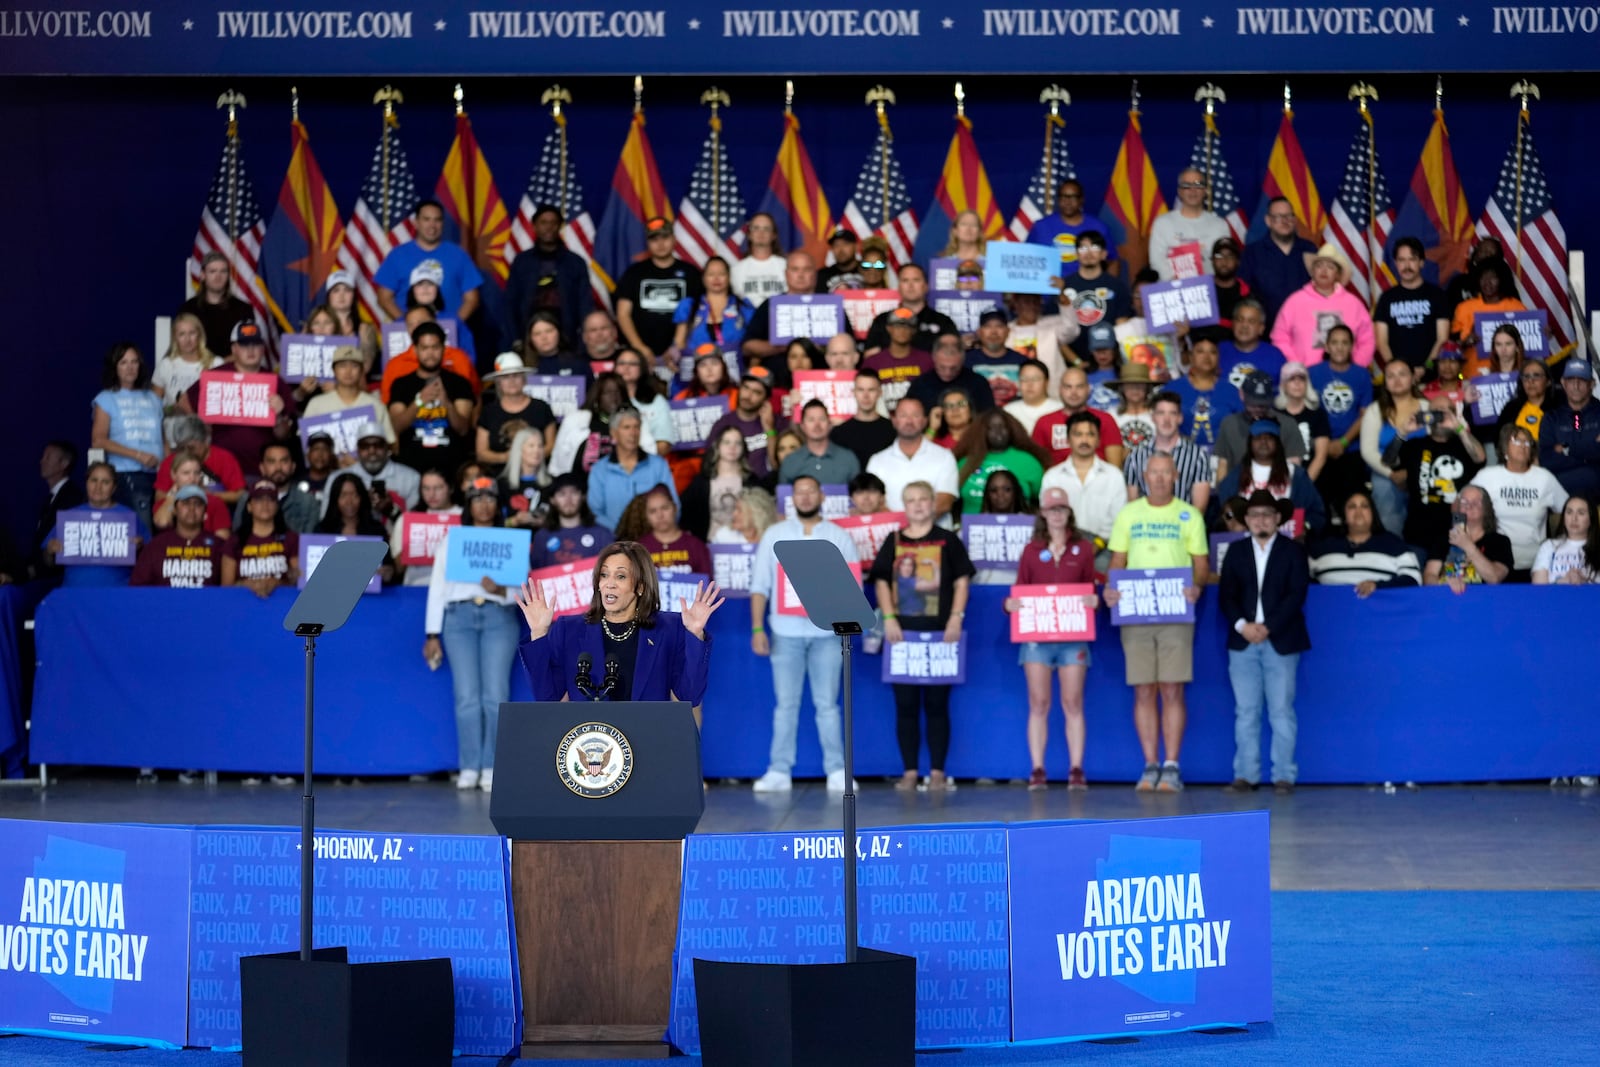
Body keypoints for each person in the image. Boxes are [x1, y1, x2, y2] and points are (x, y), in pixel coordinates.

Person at [748, 475, 863, 792]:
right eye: (800, 492)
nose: (806, 497)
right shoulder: (775, 534)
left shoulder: (838, 537)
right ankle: (779, 770)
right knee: (785, 705)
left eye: (812, 490)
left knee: (828, 705)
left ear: (822, 495)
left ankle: (837, 770)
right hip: (784, 632)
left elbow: (853, 586)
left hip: (828, 635)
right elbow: (759, 587)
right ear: (792, 498)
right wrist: (757, 627)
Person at [1102, 453, 1208, 792]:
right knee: (1144, 689)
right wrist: (1110, 588)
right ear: (1145, 476)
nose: (1160, 479)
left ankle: (1172, 765)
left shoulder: (1189, 515)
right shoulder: (1129, 514)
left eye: (1166, 473)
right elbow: (1118, 558)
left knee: (1172, 688)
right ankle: (1150, 764)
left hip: (1176, 610)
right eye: (1154, 473)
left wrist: (1198, 587)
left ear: (1176, 475)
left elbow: (1200, 561)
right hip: (1135, 610)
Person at [515, 541, 722, 704]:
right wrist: (539, 633)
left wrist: (695, 634)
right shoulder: (568, 629)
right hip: (592, 749)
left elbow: (690, 696)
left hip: (648, 743)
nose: (609, 584)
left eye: (620, 576)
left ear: (640, 587)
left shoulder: (669, 628)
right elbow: (547, 696)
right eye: (604, 575)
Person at [869, 481, 975, 792]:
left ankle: (938, 772)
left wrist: (956, 618)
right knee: (905, 705)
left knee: (938, 704)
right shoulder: (894, 540)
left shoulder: (948, 540)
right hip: (903, 635)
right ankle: (911, 771)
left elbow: (961, 583)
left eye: (923, 499)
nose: (917, 505)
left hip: (941, 634)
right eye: (911, 500)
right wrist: (888, 618)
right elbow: (882, 583)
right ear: (904, 505)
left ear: (932, 504)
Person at [423, 478, 521, 792]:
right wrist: (432, 633)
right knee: (466, 697)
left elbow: (522, 588)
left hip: (498, 616)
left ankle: (492, 765)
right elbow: (438, 587)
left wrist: (502, 589)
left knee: (495, 696)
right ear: (468, 505)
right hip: (458, 618)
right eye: (477, 498)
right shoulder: (452, 540)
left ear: (498, 504)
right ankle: (469, 765)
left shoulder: (511, 540)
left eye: (490, 498)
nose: (483, 504)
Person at [1003, 486, 1099, 789]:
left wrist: (1093, 600)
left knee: (1073, 702)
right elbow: (1019, 590)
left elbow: (1090, 587)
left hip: (1073, 637)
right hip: (1037, 639)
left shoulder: (1083, 548)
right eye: (1051, 509)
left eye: (1061, 509)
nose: (1056, 514)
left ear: (1069, 512)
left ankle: (1076, 768)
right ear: (1043, 513)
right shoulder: (1031, 550)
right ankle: (1038, 768)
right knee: (1039, 703)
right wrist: (1008, 605)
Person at [1219, 490, 1311, 794]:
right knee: (1246, 711)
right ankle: (1246, 775)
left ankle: (1284, 775)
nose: (1261, 520)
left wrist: (1268, 626)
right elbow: (1226, 596)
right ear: (1246, 519)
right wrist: (1244, 626)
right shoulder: (1235, 552)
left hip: (1281, 639)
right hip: (1243, 640)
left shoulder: (1293, 551)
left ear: (1277, 520)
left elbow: (1296, 595)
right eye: (1255, 515)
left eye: (1267, 515)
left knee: (1281, 710)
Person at [180, 321, 299, 475]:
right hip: (218, 466)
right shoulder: (216, 376)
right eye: (244, 345)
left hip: (260, 468)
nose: (250, 350)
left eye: (255, 344)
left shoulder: (276, 381)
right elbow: (183, 402)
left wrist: (278, 416)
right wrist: (201, 426)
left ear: (263, 348)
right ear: (234, 349)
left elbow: (283, 435)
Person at [1468, 425, 1567, 580]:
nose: (1523, 446)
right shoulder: (1487, 476)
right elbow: (1461, 504)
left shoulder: (1544, 478)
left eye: (1527, 442)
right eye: (1517, 441)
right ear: (1504, 448)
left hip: (1536, 563)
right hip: (1495, 562)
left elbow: (1567, 508)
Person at [374, 199, 483, 328]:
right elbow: (384, 298)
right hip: (409, 332)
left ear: (443, 223)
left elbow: (472, 299)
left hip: (449, 332)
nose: (432, 225)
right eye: (426, 219)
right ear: (416, 223)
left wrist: (453, 326)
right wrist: (409, 325)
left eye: (437, 220)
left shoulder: (458, 255)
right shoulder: (398, 255)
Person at [91, 341, 164, 530]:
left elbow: (162, 438)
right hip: (128, 471)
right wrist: (138, 455)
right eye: (123, 362)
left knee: (161, 527)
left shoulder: (154, 399)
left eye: (134, 362)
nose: (130, 367)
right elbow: (98, 440)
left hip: (159, 473)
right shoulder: (106, 398)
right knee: (143, 528)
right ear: (114, 367)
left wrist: (169, 466)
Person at [1399, 404, 1485, 561]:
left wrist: (1459, 428)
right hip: (1418, 531)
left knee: (1453, 582)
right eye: (1435, 413)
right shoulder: (1415, 445)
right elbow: (1388, 461)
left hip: (1456, 534)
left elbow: (1480, 458)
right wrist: (1403, 433)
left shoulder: (1463, 445)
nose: (1439, 417)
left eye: (1444, 413)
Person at [42, 461, 148, 587]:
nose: (98, 487)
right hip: (74, 592)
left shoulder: (128, 516)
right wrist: (49, 551)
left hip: (117, 593)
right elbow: (48, 563)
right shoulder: (71, 517)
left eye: (105, 482)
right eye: (94, 480)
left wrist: (140, 549)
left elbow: (150, 562)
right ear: (86, 483)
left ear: (114, 488)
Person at [1214, 420, 1327, 538]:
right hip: (1246, 545)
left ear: (1277, 443)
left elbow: (1317, 513)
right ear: (1250, 443)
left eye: (1269, 438)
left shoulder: (1296, 475)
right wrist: (1232, 522)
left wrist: (1305, 526)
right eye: (1258, 438)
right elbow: (1223, 512)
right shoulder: (1237, 475)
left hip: (1287, 544)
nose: (1263, 442)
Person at [1040, 412, 1127, 561]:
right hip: (1062, 547)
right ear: (1068, 439)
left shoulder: (1114, 476)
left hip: (1104, 548)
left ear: (1099, 440)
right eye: (1078, 434)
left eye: (1090, 434)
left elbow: (1119, 519)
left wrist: (1097, 544)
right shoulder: (1053, 476)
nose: (1084, 440)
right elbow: (1047, 516)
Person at [615, 216, 703, 365]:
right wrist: (640, 347)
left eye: (665, 237)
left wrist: (679, 346)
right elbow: (623, 314)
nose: (660, 244)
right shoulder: (634, 273)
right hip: (642, 356)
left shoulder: (691, 273)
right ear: (647, 243)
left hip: (682, 353)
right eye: (654, 239)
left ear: (674, 239)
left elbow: (701, 314)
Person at [1271, 244, 1375, 367]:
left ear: (1338, 274)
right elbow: (1279, 337)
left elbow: (1368, 340)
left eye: (1330, 267)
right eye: (1319, 266)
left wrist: (1354, 367)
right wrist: (1295, 365)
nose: (1324, 271)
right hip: (1304, 377)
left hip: (1345, 376)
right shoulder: (1294, 301)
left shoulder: (1354, 304)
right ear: (1312, 271)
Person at [505, 202, 593, 344]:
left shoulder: (575, 263)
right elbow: (511, 303)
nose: (548, 227)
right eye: (543, 222)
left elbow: (585, 304)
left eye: (553, 222)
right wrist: (515, 338)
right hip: (528, 336)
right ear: (534, 226)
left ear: (559, 226)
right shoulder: (522, 262)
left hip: (567, 338)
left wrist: (582, 339)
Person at [1360, 359, 1430, 534]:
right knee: (1384, 491)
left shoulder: (1427, 407)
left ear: (1413, 378)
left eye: (1402, 374)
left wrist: (1411, 473)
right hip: (1386, 473)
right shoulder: (1375, 410)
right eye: (1390, 376)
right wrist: (1392, 474)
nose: (1397, 380)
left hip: (1423, 472)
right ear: (1385, 383)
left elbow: (1435, 445)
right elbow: (1367, 451)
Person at [1308, 489, 1423, 592]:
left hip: (1379, 612)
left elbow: (1413, 579)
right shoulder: (1323, 547)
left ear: (1373, 513)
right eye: (1352, 506)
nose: (1359, 511)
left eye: (1364, 506)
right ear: (1344, 515)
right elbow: (1302, 581)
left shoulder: (1393, 544)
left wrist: (1378, 586)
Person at [866, 397, 960, 519]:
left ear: (925, 421)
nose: (909, 421)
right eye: (903, 415)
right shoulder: (877, 461)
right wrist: (903, 529)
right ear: (894, 421)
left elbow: (944, 502)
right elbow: (873, 505)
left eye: (915, 415)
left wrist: (912, 529)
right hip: (892, 534)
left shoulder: (945, 457)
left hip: (936, 535)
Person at [550, 372, 659, 477]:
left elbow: (649, 452)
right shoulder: (575, 420)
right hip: (580, 489)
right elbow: (558, 462)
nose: (614, 398)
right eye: (608, 392)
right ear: (597, 396)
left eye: (618, 393)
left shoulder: (635, 421)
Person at [586, 408, 676, 531]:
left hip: (653, 539)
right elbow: (595, 511)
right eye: (626, 427)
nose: (633, 433)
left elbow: (674, 504)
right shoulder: (600, 470)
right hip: (614, 540)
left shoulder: (658, 465)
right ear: (613, 432)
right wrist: (620, 532)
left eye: (637, 427)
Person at [473, 352, 558, 480]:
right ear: (498, 382)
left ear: (524, 379)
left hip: (536, 476)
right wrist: (510, 457)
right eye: (506, 377)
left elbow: (552, 446)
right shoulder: (489, 411)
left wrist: (530, 458)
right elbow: (481, 453)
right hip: (498, 478)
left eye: (516, 375)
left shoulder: (541, 408)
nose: (511, 381)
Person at [1123, 391, 1211, 511]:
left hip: (1184, 526)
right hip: (1145, 526)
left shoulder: (1197, 456)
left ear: (1180, 418)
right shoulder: (1135, 457)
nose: (1166, 420)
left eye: (1172, 413)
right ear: (1153, 417)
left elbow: (1199, 509)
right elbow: (1132, 505)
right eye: (1161, 413)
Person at [1215, 370, 1308, 479]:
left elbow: (1294, 467)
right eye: (1253, 403)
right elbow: (1222, 464)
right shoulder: (1229, 424)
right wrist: (1222, 492)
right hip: (1237, 491)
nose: (1258, 408)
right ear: (1241, 394)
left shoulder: (1287, 424)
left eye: (1263, 404)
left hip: (1278, 489)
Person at [1374, 236, 1450, 371]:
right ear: (1396, 263)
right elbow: (1381, 342)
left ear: (1421, 262)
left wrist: (1426, 368)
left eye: (1412, 259)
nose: (1407, 266)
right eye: (1401, 260)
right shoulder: (1387, 298)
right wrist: (1399, 371)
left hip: (1431, 375)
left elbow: (1442, 339)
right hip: (1398, 379)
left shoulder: (1437, 295)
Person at [1239, 197, 1316, 326]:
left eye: (1289, 216)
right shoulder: (1252, 253)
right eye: (1279, 217)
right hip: (1264, 331)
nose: (1285, 221)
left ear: (1295, 219)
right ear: (1268, 221)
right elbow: (1243, 293)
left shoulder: (1310, 249)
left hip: (1305, 327)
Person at [954, 408, 1047, 516]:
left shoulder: (1029, 462)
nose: (998, 432)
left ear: (1011, 430)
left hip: (1018, 528)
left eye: (1002, 427)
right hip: (973, 530)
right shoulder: (965, 463)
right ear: (982, 431)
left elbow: (1041, 501)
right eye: (991, 428)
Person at [1060, 231, 1133, 366]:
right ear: (1076, 254)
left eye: (1094, 248)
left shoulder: (1117, 286)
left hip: (1111, 364)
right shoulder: (1064, 287)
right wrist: (1077, 362)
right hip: (1072, 363)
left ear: (1104, 254)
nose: (1088, 253)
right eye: (1083, 248)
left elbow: (1123, 329)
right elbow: (1057, 332)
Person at [130, 484, 225, 587]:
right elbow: (138, 587)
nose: (191, 508)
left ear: (205, 512)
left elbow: (229, 590)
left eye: (197, 504)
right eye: (185, 503)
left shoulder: (219, 546)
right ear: (174, 510)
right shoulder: (156, 546)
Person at [1031, 366, 1125, 468]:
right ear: (1060, 390)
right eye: (1068, 387)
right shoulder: (1044, 422)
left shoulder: (1105, 420)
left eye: (1079, 387)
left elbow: (1115, 467)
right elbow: (1036, 465)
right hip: (1056, 482)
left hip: (1098, 480)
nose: (1074, 392)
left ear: (1088, 389)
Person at [1147, 168, 1232, 280]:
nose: (1193, 190)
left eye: (1198, 185)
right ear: (1180, 191)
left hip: (1210, 290)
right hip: (1172, 289)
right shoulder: (1163, 223)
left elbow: (1225, 260)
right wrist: (1178, 282)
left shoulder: (1220, 225)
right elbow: (1156, 261)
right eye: (1187, 185)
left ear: (1205, 190)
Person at [681, 425, 762, 541]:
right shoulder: (702, 481)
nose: (732, 447)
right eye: (727, 442)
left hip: (744, 545)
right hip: (708, 544)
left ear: (743, 448)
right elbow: (685, 514)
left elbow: (761, 515)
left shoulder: (751, 480)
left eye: (737, 443)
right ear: (717, 446)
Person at [1424, 484, 1512, 590]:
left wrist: (1467, 545)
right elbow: (1429, 576)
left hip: (1485, 600)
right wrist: (1442, 583)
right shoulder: (1443, 539)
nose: (1469, 506)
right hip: (1450, 598)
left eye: (1476, 502)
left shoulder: (1500, 542)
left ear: (1486, 508)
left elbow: (1494, 578)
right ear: (1457, 507)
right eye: (1464, 501)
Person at [739, 252, 820, 366]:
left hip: (821, 379)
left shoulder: (832, 305)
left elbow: (848, 343)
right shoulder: (770, 305)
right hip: (777, 378)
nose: (801, 275)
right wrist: (783, 346)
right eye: (795, 269)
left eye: (806, 269)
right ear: (786, 274)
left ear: (815, 274)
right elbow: (747, 347)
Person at [672, 254, 754, 367]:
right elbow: (679, 342)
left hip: (735, 371)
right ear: (703, 278)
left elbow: (754, 343)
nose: (716, 279)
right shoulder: (688, 305)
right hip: (696, 371)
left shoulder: (743, 305)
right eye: (711, 274)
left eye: (721, 274)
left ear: (729, 277)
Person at [303, 344, 397, 443]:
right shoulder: (316, 404)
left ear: (361, 371)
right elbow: (305, 441)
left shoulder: (375, 405)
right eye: (342, 366)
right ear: (334, 370)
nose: (348, 371)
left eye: (354, 366)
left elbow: (390, 441)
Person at [1027, 178, 1116, 281]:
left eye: (1073, 197)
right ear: (1058, 199)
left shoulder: (1098, 227)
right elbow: (1027, 260)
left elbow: (1112, 261)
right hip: (1049, 293)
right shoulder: (1041, 227)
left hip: (1086, 293)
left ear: (1081, 200)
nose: (1068, 202)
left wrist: (1109, 291)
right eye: (1063, 197)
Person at [380, 314, 481, 404]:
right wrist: (420, 400)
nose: (430, 353)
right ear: (415, 349)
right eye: (424, 348)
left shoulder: (459, 375)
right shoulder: (399, 379)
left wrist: (446, 402)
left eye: (435, 347)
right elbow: (396, 422)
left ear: (443, 348)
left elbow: (464, 422)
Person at [1165, 336, 1240, 455]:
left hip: (1223, 457)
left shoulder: (1230, 390)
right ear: (1191, 357)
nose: (1207, 357)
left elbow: (1240, 428)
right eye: (1200, 351)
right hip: (1179, 456)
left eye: (1213, 352)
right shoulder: (1173, 388)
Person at [1450, 258, 1526, 374]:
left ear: (1502, 279)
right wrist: (1465, 342)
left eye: (1493, 278)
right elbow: (1451, 346)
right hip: (1473, 374)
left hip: (1511, 375)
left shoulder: (1516, 307)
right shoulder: (1464, 308)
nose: (1487, 282)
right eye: (1483, 278)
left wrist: (1542, 334)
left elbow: (1528, 340)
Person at [1539, 358, 1600, 502]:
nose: (1576, 386)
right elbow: (1546, 460)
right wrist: (1592, 448)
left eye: (1582, 380)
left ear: (1591, 384)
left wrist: (1565, 448)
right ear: (1563, 383)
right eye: (1571, 380)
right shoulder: (1551, 418)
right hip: (1561, 502)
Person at [222, 481, 298, 596]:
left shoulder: (291, 539)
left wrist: (278, 583)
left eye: (271, 499)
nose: (265, 504)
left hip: (283, 605)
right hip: (243, 605)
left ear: (277, 506)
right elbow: (225, 590)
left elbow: (299, 582)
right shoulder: (234, 541)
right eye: (259, 499)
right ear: (249, 506)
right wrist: (245, 585)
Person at [153, 311, 218, 443]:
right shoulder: (166, 365)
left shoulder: (216, 364)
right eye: (182, 334)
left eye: (192, 333)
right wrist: (174, 408)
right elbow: (154, 408)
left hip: (207, 439)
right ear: (175, 338)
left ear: (199, 335)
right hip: (173, 438)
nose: (187, 340)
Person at [862, 265, 958, 354]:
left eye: (916, 280)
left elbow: (953, 356)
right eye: (905, 280)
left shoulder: (943, 322)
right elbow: (870, 358)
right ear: (899, 287)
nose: (910, 285)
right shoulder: (883, 320)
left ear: (926, 286)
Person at [529, 473, 614, 570]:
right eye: (562, 494)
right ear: (552, 500)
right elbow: (536, 576)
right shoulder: (542, 537)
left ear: (583, 497)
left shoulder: (602, 535)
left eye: (574, 493)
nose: (568, 499)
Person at [392, 469, 461, 586]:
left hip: (455, 588)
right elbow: (397, 568)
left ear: (451, 488)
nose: (431, 494)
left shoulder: (464, 517)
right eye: (426, 488)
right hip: (415, 586)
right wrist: (410, 545)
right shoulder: (407, 519)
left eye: (438, 488)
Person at [179, 251, 255, 355]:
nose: (218, 276)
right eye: (213, 271)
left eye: (223, 271)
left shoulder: (243, 309)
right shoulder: (188, 309)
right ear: (202, 275)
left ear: (228, 276)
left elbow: (249, 347)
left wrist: (219, 365)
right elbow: (180, 346)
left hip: (230, 368)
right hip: (197, 368)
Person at [907, 332, 996, 416]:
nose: (948, 373)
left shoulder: (978, 384)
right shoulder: (919, 385)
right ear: (934, 358)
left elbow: (987, 419)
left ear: (962, 360)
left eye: (953, 368)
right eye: (942, 367)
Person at [705, 373, 775, 478]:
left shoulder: (775, 422)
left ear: (766, 399)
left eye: (756, 392)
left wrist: (769, 429)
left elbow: (777, 465)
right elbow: (710, 463)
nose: (748, 396)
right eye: (746, 388)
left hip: (764, 487)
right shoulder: (723, 424)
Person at [240, 442, 319, 533]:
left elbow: (309, 542)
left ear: (293, 467)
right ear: (262, 468)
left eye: (284, 461)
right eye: (271, 461)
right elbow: (238, 537)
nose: (278, 468)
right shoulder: (247, 498)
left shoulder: (308, 502)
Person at [779, 399, 861, 486]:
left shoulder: (848, 458)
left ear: (829, 424)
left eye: (822, 419)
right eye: (811, 420)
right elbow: (784, 497)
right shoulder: (790, 461)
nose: (817, 425)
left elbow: (859, 495)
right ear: (802, 426)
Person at [633, 484, 712, 575]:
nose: (660, 515)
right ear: (646, 516)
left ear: (675, 508)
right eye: (653, 511)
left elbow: (707, 584)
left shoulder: (696, 546)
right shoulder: (639, 549)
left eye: (665, 508)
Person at [864, 306, 934, 406]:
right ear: (889, 328)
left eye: (907, 326)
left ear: (914, 330)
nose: (902, 330)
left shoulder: (927, 361)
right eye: (898, 326)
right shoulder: (872, 363)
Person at [154, 453, 234, 539]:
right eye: (186, 473)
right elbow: (163, 522)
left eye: (196, 473)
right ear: (174, 475)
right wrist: (172, 497)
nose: (192, 478)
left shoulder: (214, 502)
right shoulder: (166, 503)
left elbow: (223, 540)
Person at [1276, 363, 1331, 485]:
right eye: (1292, 379)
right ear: (1283, 385)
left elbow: (1320, 457)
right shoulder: (1274, 415)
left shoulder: (1318, 414)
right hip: (1279, 480)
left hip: (1312, 480)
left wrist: (1304, 486)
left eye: (1301, 378)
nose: (1297, 383)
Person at [965, 310, 1034, 406]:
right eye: (988, 326)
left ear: (1008, 331)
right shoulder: (966, 361)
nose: (993, 332)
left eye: (999, 326)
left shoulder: (1023, 362)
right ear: (979, 332)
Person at [614, 348, 674, 456]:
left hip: (648, 463)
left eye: (633, 364)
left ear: (642, 368)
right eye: (621, 363)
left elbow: (664, 444)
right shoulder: (607, 399)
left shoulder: (656, 401)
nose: (626, 367)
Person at [1218, 298, 1288, 391]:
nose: (1244, 325)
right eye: (1240, 319)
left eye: (1251, 321)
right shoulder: (1218, 351)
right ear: (1233, 324)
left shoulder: (1275, 357)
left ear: (1261, 328)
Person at [831, 371, 897, 469]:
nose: (866, 396)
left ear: (880, 393)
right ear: (853, 392)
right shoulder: (839, 433)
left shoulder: (893, 430)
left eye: (871, 390)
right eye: (861, 390)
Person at [352, 422, 421, 516]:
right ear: (358, 450)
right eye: (365, 446)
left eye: (378, 445)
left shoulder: (411, 478)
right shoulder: (339, 478)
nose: (372, 451)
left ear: (387, 447)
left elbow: (414, 523)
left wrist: (391, 510)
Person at [1532, 496, 1600, 584]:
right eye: (1569, 512)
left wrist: (1584, 583)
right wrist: (1563, 581)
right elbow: (1538, 589)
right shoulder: (1549, 546)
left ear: (1591, 519)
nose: (1574, 518)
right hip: (1555, 597)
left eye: (1581, 513)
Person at [729, 212, 787, 303]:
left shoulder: (786, 267)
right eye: (756, 228)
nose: (761, 233)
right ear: (749, 234)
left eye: (766, 229)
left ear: (774, 235)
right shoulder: (736, 270)